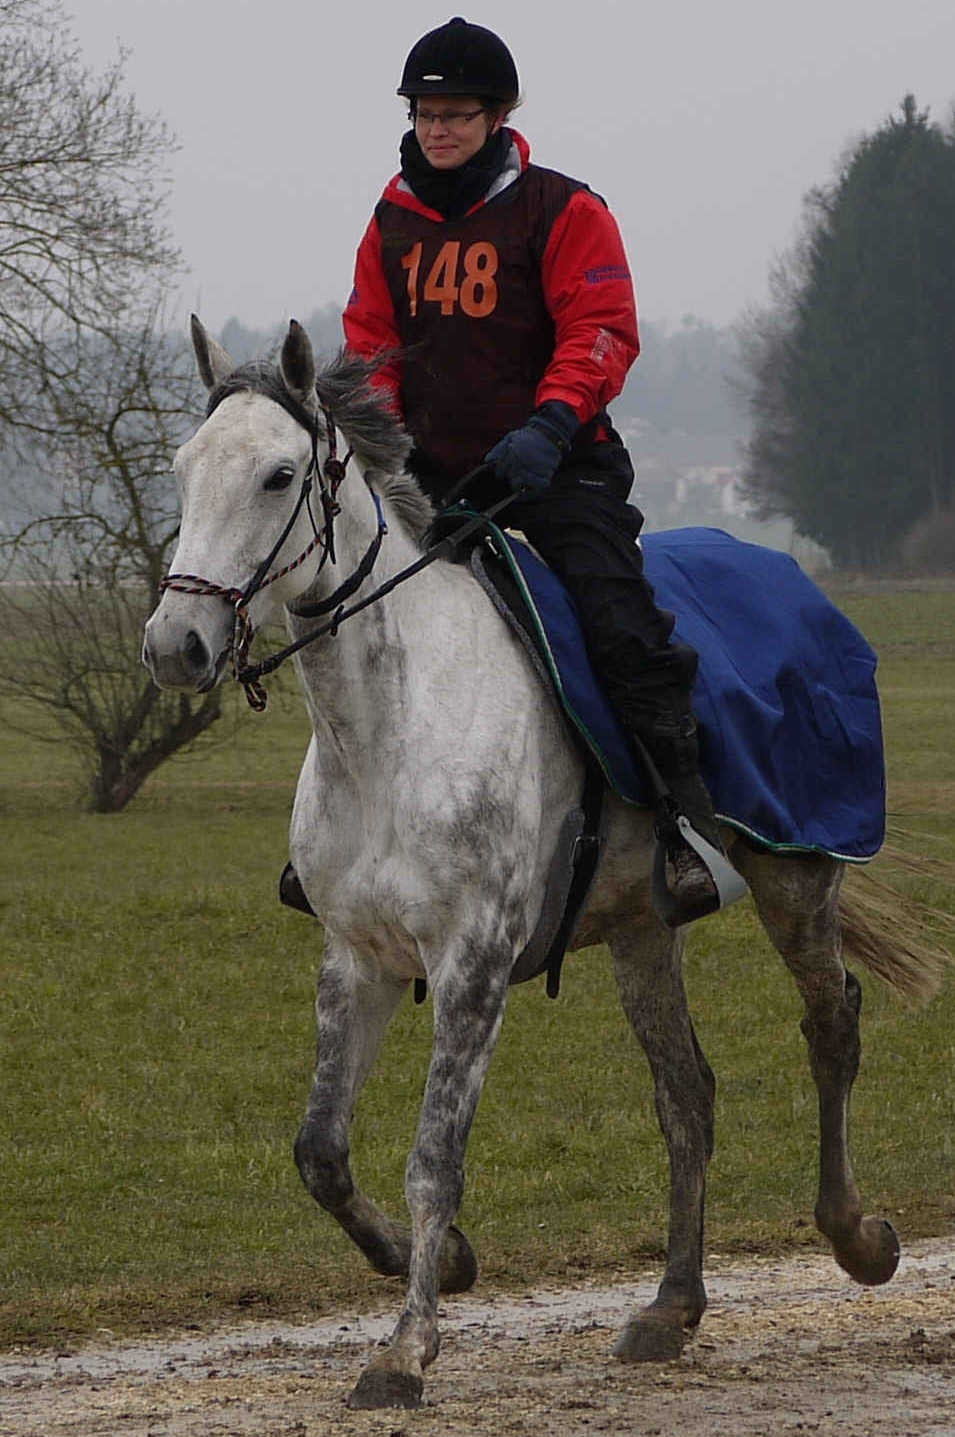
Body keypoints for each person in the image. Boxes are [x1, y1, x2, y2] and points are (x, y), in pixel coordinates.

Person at [337, 17, 725, 923]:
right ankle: (347, 836)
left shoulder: (561, 206)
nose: (439, 130)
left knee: (618, 622)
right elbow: (371, 348)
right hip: (432, 476)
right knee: (355, 623)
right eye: (427, 113)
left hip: (557, 465)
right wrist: (387, 444)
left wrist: (551, 421)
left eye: (457, 115)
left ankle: (684, 825)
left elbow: (600, 328)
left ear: (497, 116)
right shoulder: (391, 219)